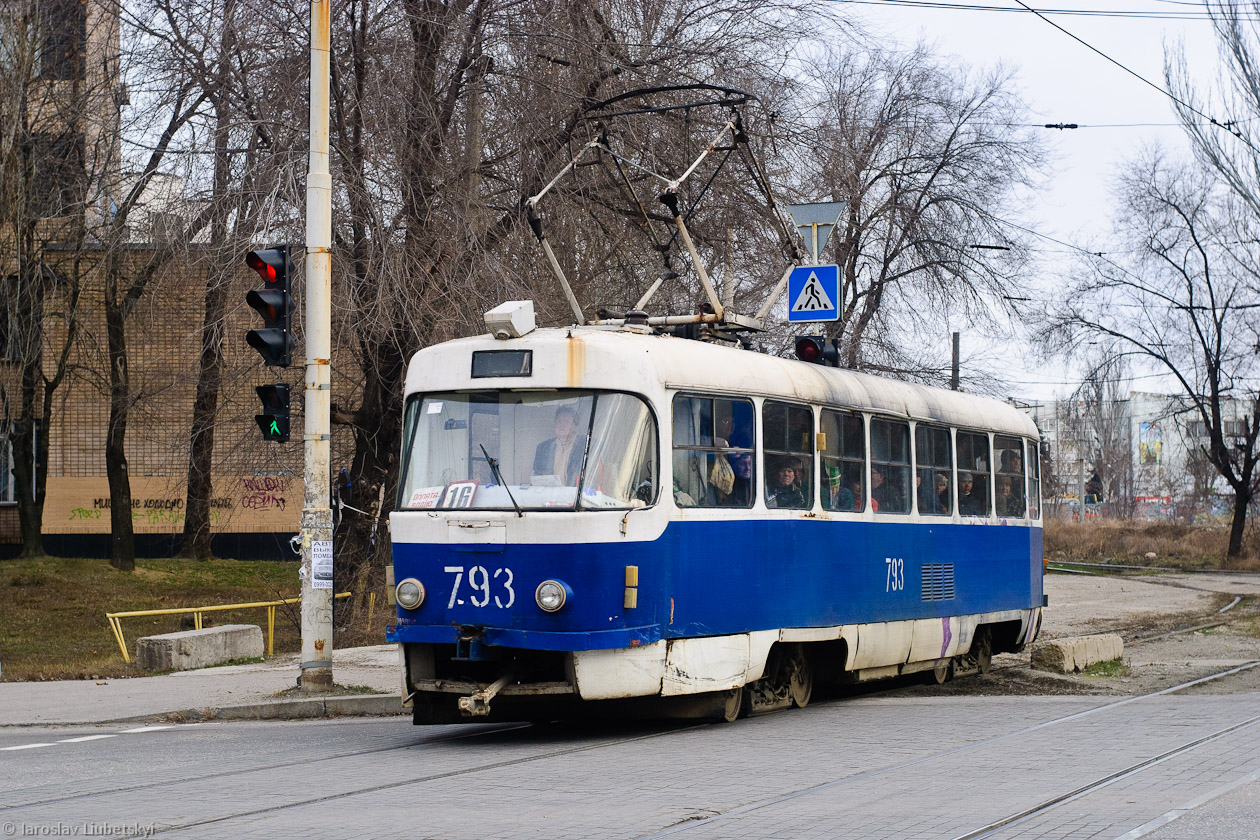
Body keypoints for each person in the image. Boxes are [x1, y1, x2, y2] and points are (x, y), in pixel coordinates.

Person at [533, 405, 586, 484]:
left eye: (567, 422)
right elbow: (537, 476)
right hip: (549, 495)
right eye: (559, 421)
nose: (562, 425)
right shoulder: (543, 448)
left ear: (575, 426)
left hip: (574, 495)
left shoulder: (584, 446)